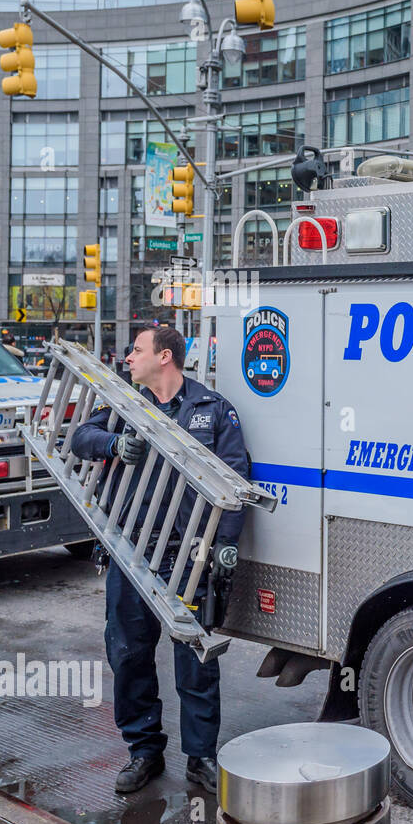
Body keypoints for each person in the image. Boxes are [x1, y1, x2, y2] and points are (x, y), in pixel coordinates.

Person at [71, 325, 249, 795]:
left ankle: (200, 759)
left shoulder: (213, 410)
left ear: (165, 357)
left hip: (187, 556)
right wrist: (112, 445)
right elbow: (80, 437)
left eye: (137, 349)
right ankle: (143, 752)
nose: (129, 357)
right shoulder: (127, 407)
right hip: (130, 553)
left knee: (195, 663)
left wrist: (222, 545)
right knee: (129, 656)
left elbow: (236, 479)